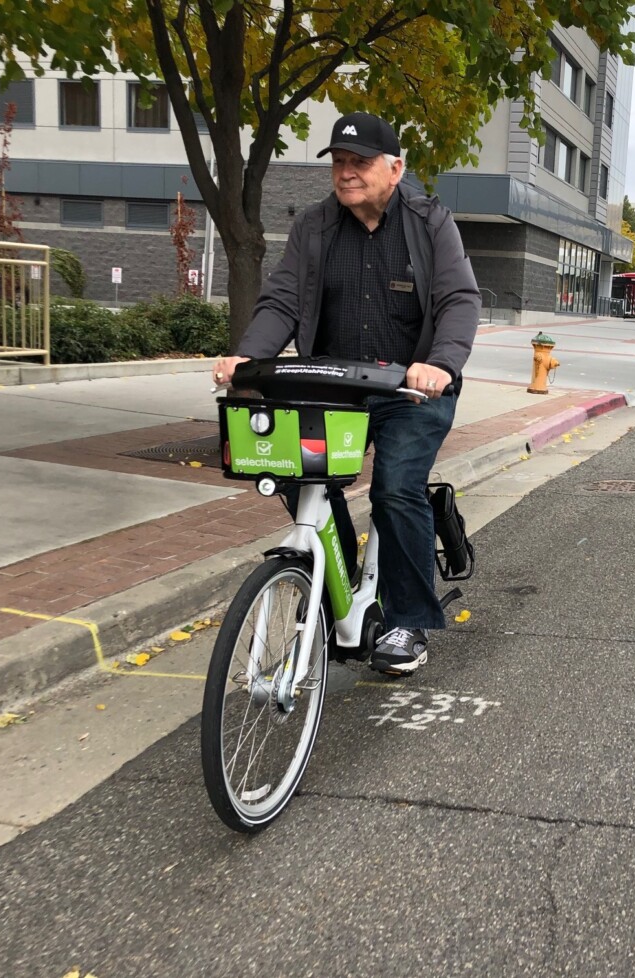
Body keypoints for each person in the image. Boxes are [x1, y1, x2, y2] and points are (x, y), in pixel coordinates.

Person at [213, 111, 480, 676]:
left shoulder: (430, 222)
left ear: (395, 168)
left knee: (396, 484)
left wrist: (439, 364)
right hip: (334, 388)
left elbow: (459, 299)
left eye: (359, 162)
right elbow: (282, 300)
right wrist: (246, 356)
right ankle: (336, 574)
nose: (346, 172)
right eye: (338, 162)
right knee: (298, 473)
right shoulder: (314, 227)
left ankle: (407, 618)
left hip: (411, 390)